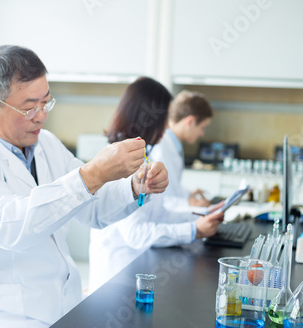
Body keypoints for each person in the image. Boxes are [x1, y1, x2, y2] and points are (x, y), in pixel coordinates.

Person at [0, 45, 169, 328]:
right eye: (29, 107)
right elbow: (11, 227)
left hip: (58, 310)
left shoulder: (46, 144)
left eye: (46, 102)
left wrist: (135, 186)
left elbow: (92, 209)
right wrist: (92, 174)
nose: (42, 115)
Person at [88, 77, 224, 292]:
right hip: (116, 280)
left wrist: (201, 215)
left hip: (138, 272)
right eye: (165, 117)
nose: (168, 125)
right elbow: (136, 234)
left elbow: (158, 214)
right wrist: (192, 230)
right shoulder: (118, 163)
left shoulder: (143, 154)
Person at [149, 90, 215, 212]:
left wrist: (188, 194)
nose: (202, 133)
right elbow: (161, 200)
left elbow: (171, 188)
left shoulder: (174, 145)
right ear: (190, 121)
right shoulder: (162, 149)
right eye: (202, 127)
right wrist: (190, 204)